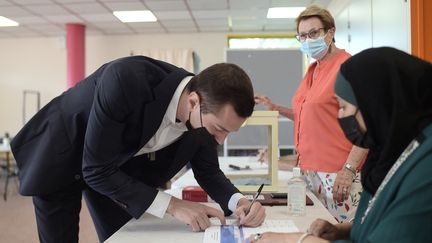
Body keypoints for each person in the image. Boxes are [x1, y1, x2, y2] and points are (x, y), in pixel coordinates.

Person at [10, 56, 266, 243]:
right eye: (219, 129)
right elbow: (95, 169)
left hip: (113, 170)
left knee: (127, 237)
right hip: (62, 157)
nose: (220, 140)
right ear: (193, 101)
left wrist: (239, 201)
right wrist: (175, 205)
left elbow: (208, 171)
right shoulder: (127, 79)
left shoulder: (204, 110)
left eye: (229, 132)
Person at [248, 47, 432, 242]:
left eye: (343, 107)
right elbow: (383, 222)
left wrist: (293, 240)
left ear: (375, 104)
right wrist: (344, 231)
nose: (340, 116)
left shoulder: (426, 166)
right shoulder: (391, 153)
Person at [255, 5, 368, 222]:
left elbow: (368, 124)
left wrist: (348, 170)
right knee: (320, 231)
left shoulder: (348, 67)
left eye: (314, 33)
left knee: (345, 233)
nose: (308, 40)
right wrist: (276, 108)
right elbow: (311, 117)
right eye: (302, 36)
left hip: (338, 175)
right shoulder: (313, 70)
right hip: (309, 173)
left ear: (331, 32)